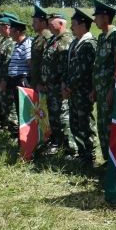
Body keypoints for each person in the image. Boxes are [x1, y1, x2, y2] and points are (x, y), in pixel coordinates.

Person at [64, 7, 97, 172]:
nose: (71, 28)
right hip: (73, 91)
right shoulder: (75, 42)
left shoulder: (89, 44)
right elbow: (69, 67)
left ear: (83, 25)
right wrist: (66, 84)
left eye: (74, 24)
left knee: (85, 123)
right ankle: (82, 152)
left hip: (83, 91)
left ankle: (89, 156)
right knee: (75, 123)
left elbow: (84, 71)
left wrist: (69, 86)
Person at [42, 12, 74, 155]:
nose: (48, 24)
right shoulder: (53, 39)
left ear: (61, 24)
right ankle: (57, 142)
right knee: (53, 115)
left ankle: (70, 148)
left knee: (63, 116)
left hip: (60, 86)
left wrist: (64, 84)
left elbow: (67, 66)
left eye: (51, 22)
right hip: (50, 86)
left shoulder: (66, 39)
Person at [92, 0, 116, 165]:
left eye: (97, 16)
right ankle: (107, 160)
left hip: (109, 91)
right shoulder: (102, 36)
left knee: (110, 126)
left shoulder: (115, 35)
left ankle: (115, 162)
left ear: (105, 17)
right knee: (102, 126)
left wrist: (111, 89)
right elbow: (98, 65)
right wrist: (95, 88)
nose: (94, 19)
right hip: (100, 90)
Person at [5, 18, 32, 131]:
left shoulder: (27, 44)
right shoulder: (18, 44)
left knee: (24, 110)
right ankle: (21, 133)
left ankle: (26, 136)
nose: (9, 32)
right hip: (15, 81)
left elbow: (30, 64)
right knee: (18, 108)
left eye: (11, 30)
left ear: (17, 32)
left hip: (22, 81)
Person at [29, 4, 52, 94]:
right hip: (35, 83)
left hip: (43, 85)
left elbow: (48, 62)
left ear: (43, 23)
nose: (32, 24)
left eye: (35, 22)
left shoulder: (48, 38)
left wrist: (43, 83)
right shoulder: (37, 38)